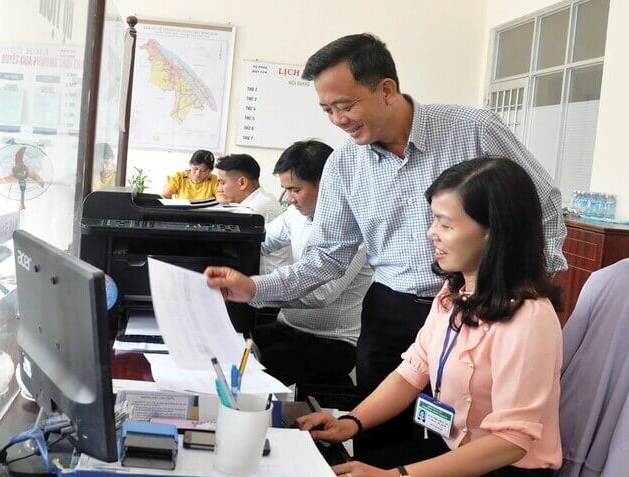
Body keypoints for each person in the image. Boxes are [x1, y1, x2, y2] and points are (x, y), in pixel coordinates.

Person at [205, 33, 566, 451]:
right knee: (378, 443)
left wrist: (523, 289)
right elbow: (326, 258)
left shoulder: (473, 130)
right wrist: (255, 288)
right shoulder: (343, 165)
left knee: (472, 435)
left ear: (387, 89)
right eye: (327, 110)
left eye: (345, 105)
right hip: (392, 313)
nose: (338, 120)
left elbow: (543, 204)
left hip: (482, 308)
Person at [297, 156, 563, 477]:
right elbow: (412, 371)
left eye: (445, 224)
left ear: (494, 232)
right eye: (433, 220)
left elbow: (510, 441)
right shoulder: (454, 293)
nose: (431, 233)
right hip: (450, 454)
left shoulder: (529, 318)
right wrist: (351, 422)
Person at [253, 140, 373, 387]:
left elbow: (321, 294)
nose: (289, 199)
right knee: (230, 346)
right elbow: (260, 242)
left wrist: (251, 290)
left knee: (251, 371)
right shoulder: (296, 215)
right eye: (286, 190)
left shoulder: (355, 227)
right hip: (288, 327)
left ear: (327, 183)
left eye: (295, 190)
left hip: (331, 342)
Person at [215, 153, 289, 273]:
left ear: (242, 182)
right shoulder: (261, 199)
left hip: (267, 277)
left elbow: (232, 246)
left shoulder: (255, 208)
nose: (219, 189)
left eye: (222, 182)